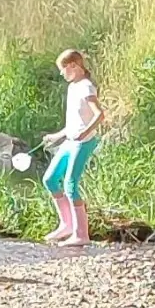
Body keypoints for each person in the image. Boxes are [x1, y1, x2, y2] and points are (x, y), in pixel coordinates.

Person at [40, 49, 105, 247]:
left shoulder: (86, 87)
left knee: (70, 184)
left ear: (74, 67)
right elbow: (73, 123)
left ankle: (81, 234)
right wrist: (56, 136)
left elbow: (99, 115)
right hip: (70, 141)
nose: (61, 73)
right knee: (50, 179)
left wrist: (85, 134)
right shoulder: (73, 87)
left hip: (83, 143)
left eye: (63, 69)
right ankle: (66, 225)